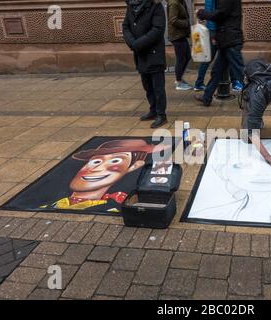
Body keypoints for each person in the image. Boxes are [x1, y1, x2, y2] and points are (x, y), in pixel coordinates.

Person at [40, 139, 169, 212]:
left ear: (133, 167)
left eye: (116, 161)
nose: (97, 168)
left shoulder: (113, 205)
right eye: (96, 161)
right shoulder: (52, 204)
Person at [122, 0, 168, 128]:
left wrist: (138, 44)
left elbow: (157, 29)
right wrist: (132, 42)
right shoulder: (131, 6)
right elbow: (125, 26)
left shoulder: (156, 6)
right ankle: (153, 110)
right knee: (147, 86)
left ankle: (161, 114)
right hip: (140, 54)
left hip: (154, 54)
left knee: (158, 87)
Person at [194, 0, 245, 106]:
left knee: (240, 72)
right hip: (226, 39)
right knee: (217, 71)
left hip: (230, 40)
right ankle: (207, 97)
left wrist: (202, 13)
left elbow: (220, 13)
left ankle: (256, 95)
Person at [168, 0, 193, 91]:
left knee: (187, 56)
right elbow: (173, 20)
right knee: (181, 58)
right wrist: (186, 23)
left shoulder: (180, 1)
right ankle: (178, 82)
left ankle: (179, 78)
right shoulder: (174, 3)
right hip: (177, 36)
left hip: (181, 34)